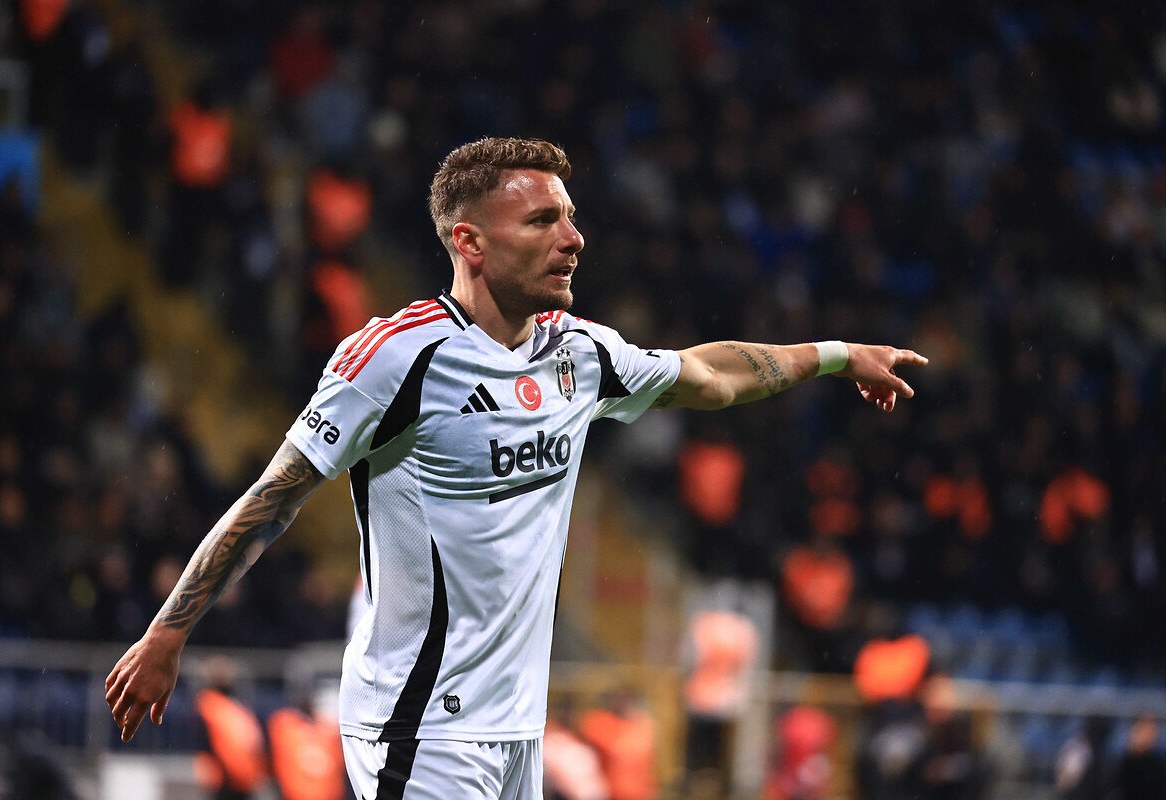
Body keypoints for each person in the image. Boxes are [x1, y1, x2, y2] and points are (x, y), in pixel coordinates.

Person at [105, 137, 928, 799]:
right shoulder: (396, 358)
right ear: (469, 242)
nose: (573, 238)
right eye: (541, 221)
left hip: (516, 733)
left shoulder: (580, 354)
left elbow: (711, 375)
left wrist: (836, 354)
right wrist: (169, 634)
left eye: (569, 217)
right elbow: (274, 496)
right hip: (419, 729)